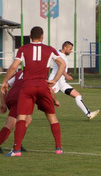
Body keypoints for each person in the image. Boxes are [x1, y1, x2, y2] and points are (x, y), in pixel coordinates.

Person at [1, 26, 66, 157]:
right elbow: (62, 64)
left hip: (27, 87)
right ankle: (58, 148)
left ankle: (17, 150)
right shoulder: (50, 49)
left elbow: (14, 66)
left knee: (22, 117)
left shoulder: (23, 49)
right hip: (43, 86)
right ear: (42, 37)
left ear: (30, 37)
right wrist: (54, 80)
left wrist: (5, 81)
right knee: (52, 117)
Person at [49, 41, 100, 120]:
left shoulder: (62, 54)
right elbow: (60, 67)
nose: (71, 51)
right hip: (54, 81)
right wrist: (67, 75)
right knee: (43, 98)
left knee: (77, 95)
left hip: (62, 82)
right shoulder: (58, 55)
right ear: (65, 48)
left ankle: (89, 114)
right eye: (70, 49)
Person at [0, 70, 32, 154]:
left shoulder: (20, 73)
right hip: (19, 99)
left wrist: (3, 103)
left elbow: (4, 86)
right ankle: (17, 144)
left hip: (11, 97)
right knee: (11, 123)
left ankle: (18, 143)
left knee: (27, 119)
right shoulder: (37, 74)